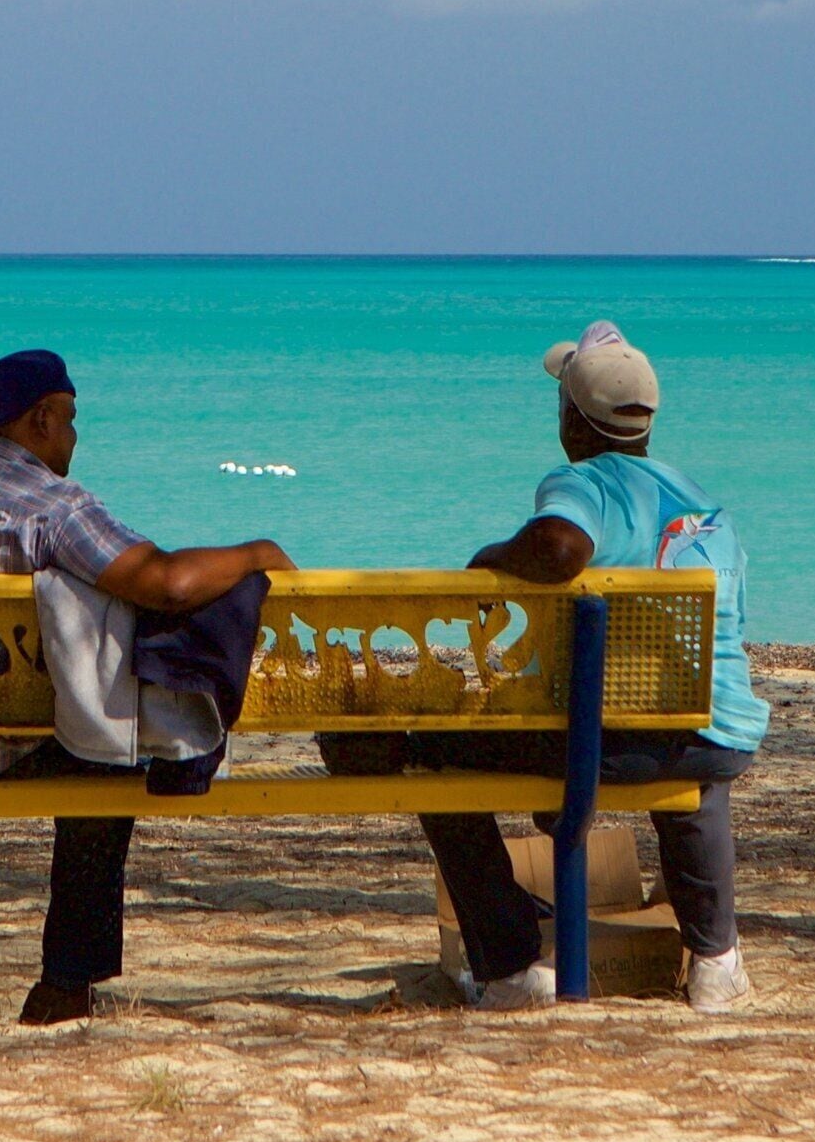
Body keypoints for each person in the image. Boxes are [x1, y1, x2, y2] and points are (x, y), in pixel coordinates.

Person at [0, 348, 293, 1025]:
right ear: (40, 418)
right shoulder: (53, 506)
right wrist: (254, 554)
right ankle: (66, 981)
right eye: (70, 420)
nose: (75, 437)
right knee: (111, 754)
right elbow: (167, 583)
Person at [325, 320, 770, 1012]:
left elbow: (559, 547)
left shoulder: (584, 482)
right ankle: (716, 962)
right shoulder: (703, 502)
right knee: (687, 764)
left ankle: (509, 967)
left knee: (432, 759)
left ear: (574, 419)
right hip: (714, 737)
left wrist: (493, 558)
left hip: (607, 744)